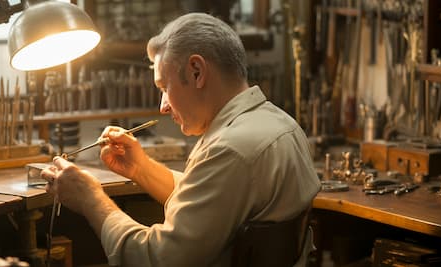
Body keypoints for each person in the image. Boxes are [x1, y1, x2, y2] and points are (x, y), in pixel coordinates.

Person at [41, 12, 320, 266]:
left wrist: (90, 198)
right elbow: (209, 200)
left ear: (197, 71)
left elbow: (156, 258)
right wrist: (140, 168)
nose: (162, 106)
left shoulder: (231, 150)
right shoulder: (281, 123)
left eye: (164, 86)